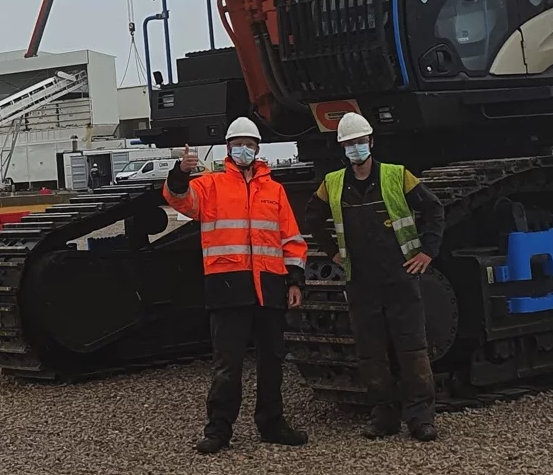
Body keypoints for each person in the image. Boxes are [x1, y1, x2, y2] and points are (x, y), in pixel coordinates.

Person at [162, 117, 309, 454]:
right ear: (229, 148)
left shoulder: (274, 190)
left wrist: (295, 279)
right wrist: (180, 172)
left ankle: (272, 424)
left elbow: (291, 239)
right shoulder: (210, 185)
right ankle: (218, 431)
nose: (244, 149)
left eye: (250, 144)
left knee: (272, 362)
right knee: (227, 364)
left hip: (269, 288)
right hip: (228, 288)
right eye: (238, 143)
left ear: (258, 149)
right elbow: (179, 199)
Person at [313, 111, 446, 441]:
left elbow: (433, 209)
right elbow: (312, 218)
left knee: (412, 348)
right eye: (349, 144)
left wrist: (427, 252)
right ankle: (383, 415)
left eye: (360, 142)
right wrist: (332, 251)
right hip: (360, 280)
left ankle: (420, 418)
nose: (355, 148)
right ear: (341, 147)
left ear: (371, 142)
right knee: (371, 352)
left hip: (399, 276)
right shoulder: (332, 184)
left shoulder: (397, 176)